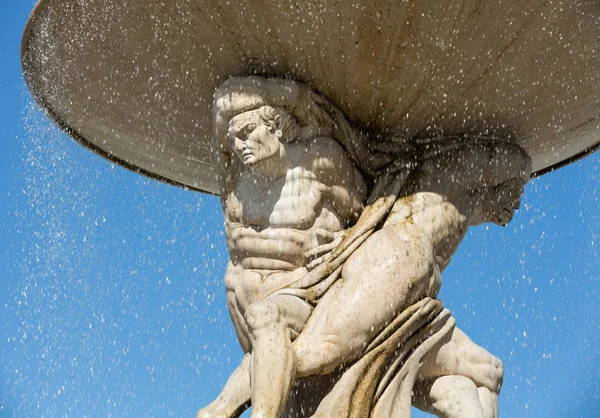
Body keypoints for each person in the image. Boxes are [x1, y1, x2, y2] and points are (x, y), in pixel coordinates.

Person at [197, 77, 531, 418]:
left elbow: (364, 211)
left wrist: (350, 238)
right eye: (234, 136)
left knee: (484, 373)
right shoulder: (234, 180)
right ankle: (225, 407)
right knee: (301, 350)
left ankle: (227, 408)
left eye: (248, 131)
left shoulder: (323, 164)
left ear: (277, 126)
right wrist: (294, 96)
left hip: (349, 291)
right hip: (326, 292)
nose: (240, 145)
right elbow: (223, 101)